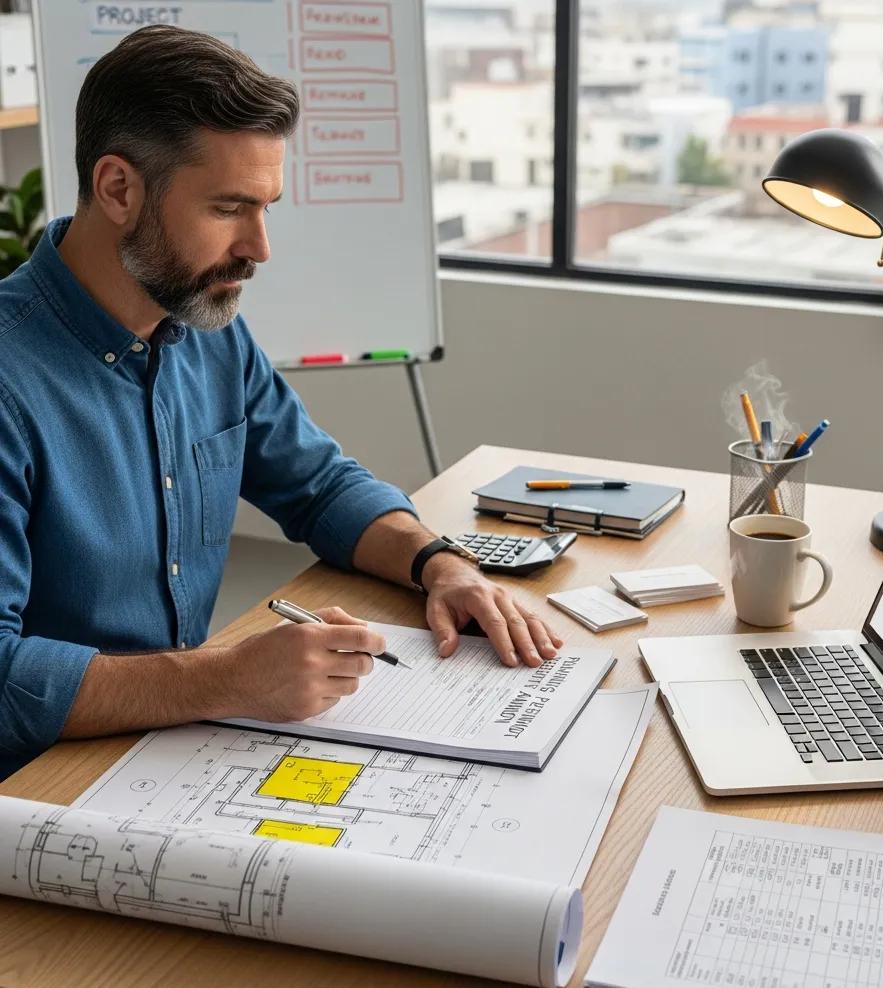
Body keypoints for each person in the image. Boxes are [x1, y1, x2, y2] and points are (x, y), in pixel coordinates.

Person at [0, 25, 561, 779]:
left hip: (167, 749)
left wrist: (441, 565)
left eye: (266, 207)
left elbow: (321, 485)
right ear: (119, 189)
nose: (260, 247)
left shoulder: (203, 329)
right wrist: (226, 678)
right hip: (38, 782)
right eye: (229, 208)